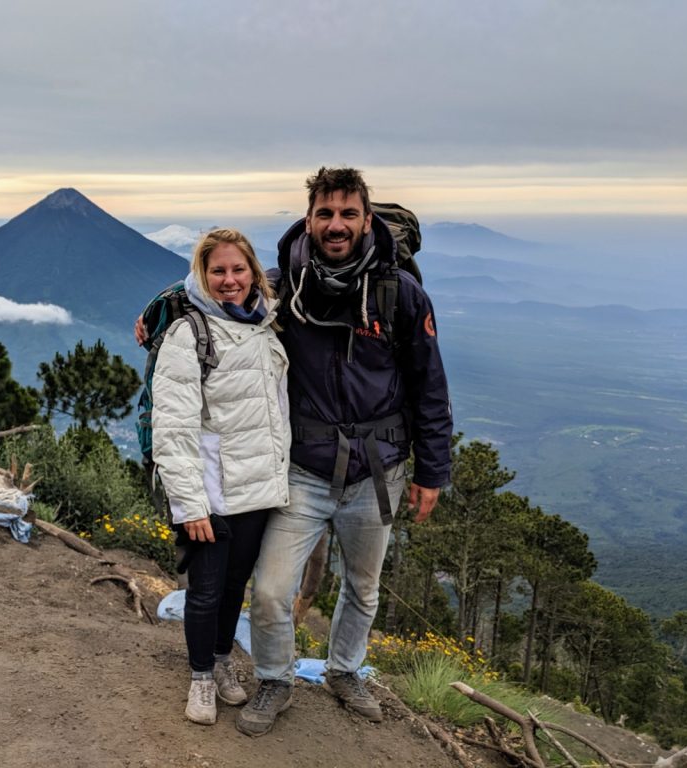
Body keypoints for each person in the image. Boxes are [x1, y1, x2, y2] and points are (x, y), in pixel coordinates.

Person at [233, 167, 453, 737]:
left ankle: (344, 670)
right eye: (325, 214)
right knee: (271, 590)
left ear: (367, 219)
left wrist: (432, 470)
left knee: (364, 585)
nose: (336, 225)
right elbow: (216, 298)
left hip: (377, 469)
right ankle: (276, 679)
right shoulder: (283, 286)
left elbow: (430, 383)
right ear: (309, 219)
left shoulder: (400, 292)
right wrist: (157, 315)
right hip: (303, 468)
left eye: (348, 214)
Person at [150, 228, 291, 726]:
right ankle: (201, 679)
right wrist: (189, 505)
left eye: (238, 269)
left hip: (256, 490)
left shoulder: (264, 325)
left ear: (254, 272)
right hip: (210, 493)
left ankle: (222, 662)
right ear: (201, 276)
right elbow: (173, 428)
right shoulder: (189, 334)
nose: (229, 280)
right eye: (217, 271)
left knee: (234, 588)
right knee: (206, 591)